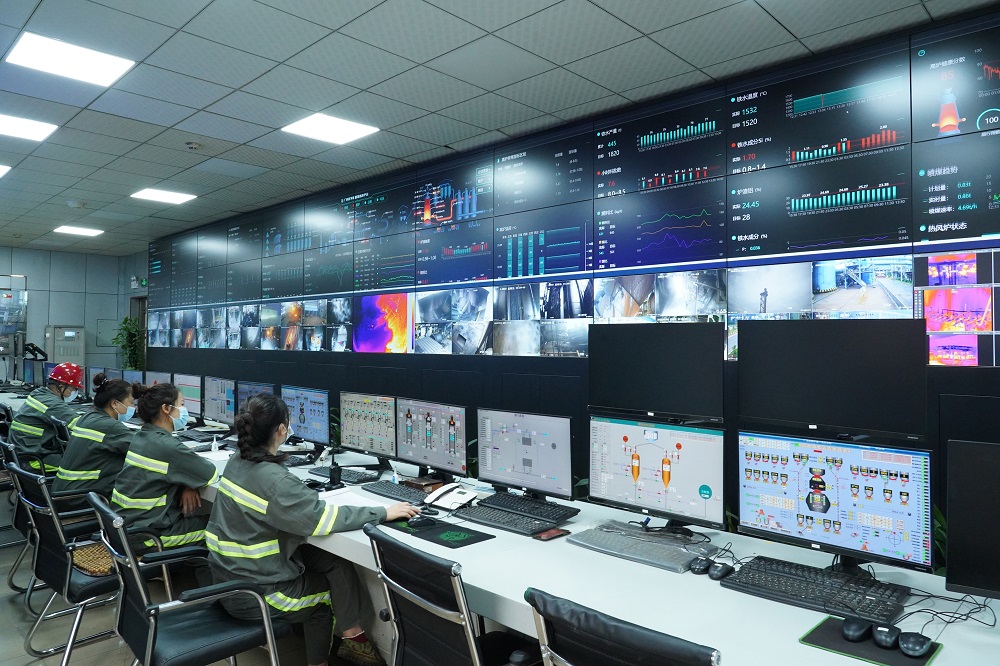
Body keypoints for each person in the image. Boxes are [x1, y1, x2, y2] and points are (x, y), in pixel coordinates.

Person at [206, 393, 417, 666]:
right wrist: (383, 512)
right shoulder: (275, 481)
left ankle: (354, 639)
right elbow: (322, 519)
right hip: (256, 594)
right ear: (281, 430)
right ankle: (328, 656)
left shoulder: (238, 460)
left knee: (333, 562)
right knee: (327, 598)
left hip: (228, 578)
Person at [111, 383, 218, 548]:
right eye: (181, 405)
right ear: (166, 408)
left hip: (125, 528)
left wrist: (187, 483)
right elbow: (210, 474)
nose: (183, 410)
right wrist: (189, 481)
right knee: (220, 528)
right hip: (149, 536)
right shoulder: (168, 447)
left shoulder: (141, 436)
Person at [53, 373, 139, 498]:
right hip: (81, 496)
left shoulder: (88, 416)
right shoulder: (110, 427)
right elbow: (143, 449)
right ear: (114, 403)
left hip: (65, 491)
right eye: (131, 402)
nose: (133, 407)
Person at [9, 362, 83, 472]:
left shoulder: (39, 393)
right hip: (33, 460)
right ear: (61, 387)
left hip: (21, 452)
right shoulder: (52, 403)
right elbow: (82, 426)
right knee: (89, 465)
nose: (75, 392)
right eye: (74, 388)